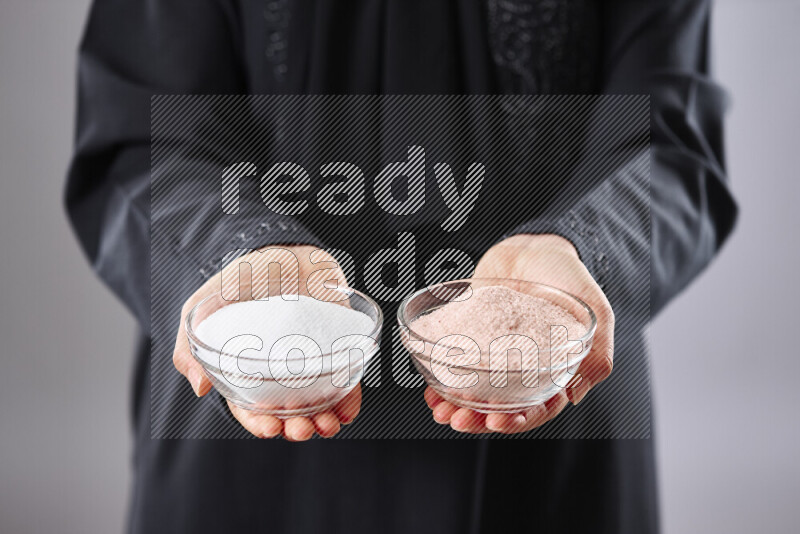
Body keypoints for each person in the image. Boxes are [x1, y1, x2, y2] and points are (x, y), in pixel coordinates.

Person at [65, 1, 737, 532]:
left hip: (548, 417)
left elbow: (670, 140)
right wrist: (240, 253)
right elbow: (141, 136)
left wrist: (580, 248)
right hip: (252, 431)